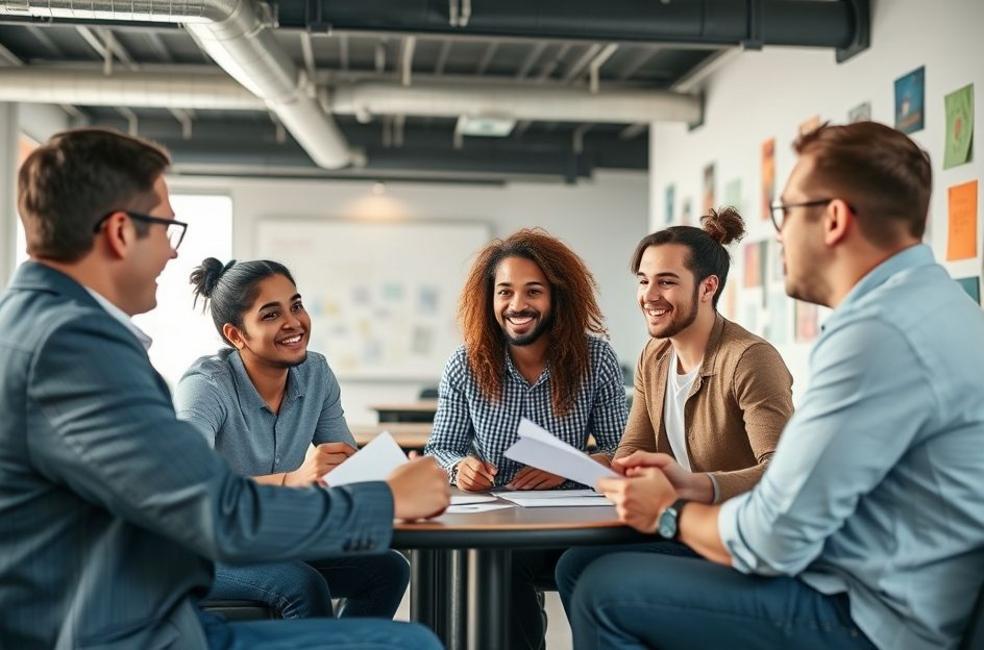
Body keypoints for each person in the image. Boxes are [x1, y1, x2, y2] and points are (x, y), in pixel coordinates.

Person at [0, 127, 448, 650]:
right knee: (411, 643)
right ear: (120, 232)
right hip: (120, 632)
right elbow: (214, 510)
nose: (172, 254)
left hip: (139, 611)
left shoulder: (41, 325)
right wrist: (385, 500)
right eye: (167, 228)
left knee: (391, 599)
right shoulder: (73, 345)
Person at [568, 121, 984, 650]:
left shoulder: (876, 334)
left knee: (606, 591)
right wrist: (690, 488)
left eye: (785, 212)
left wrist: (669, 513)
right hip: (878, 583)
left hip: (873, 614)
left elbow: (773, 536)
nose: (779, 235)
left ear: (833, 219)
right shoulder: (937, 306)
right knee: (588, 568)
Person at [555, 207, 794, 613]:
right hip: (678, 523)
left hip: (731, 537)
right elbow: (632, 451)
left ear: (707, 288)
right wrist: (584, 467)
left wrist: (692, 486)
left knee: (583, 567)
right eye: (643, 280)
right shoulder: (655, 356)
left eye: (666, 282)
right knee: (566, 561)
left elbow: (784, 473)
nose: (649, 295)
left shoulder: (750, 359)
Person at [424, 228, 628, 649]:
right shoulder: (466, 364)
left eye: (533, 291)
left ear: (557, 297)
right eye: (505, 292)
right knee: (497, 570)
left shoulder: (596, 359)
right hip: (499, 527)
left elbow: (622, 451)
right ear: (490, 299)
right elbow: (440, 448)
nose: (517, 305)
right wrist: (459, 467)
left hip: (576, 526)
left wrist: (570, 468)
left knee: (590, 573)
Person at [174, 257, 410, 620]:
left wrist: (391, 478)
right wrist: (292, 481)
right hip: (202, 549)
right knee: (302, 584)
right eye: (271, 314)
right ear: (236, 335)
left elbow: (344, 466)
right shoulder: (206, 386)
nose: (293, 322)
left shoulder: (316, 373)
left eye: (296, 305)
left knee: (388, 568)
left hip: (275, 537)